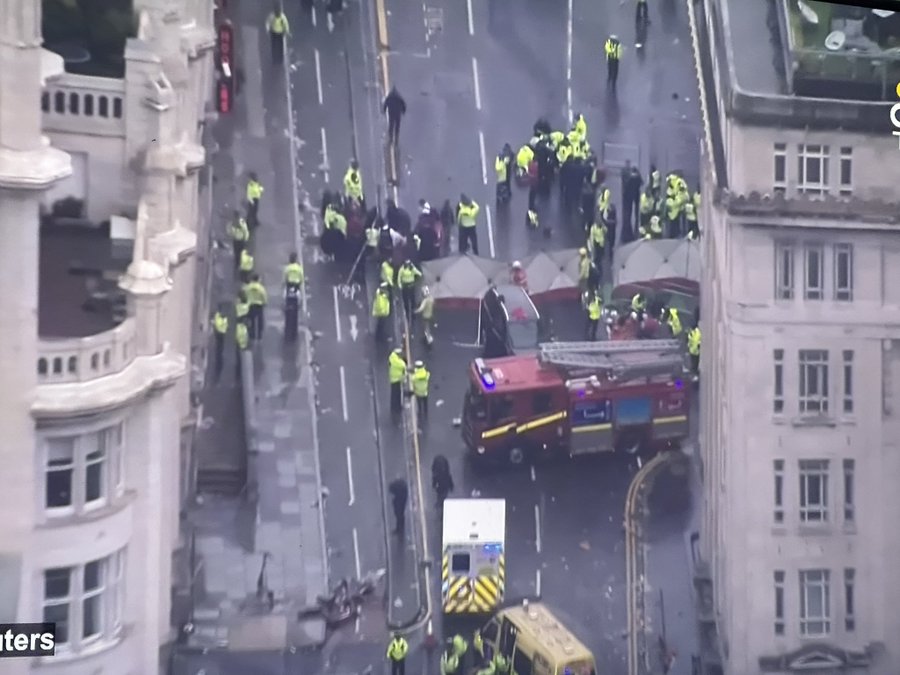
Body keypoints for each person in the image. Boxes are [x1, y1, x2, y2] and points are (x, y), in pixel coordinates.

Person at [244, 273, 268, 340]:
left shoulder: (248, 287)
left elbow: (245, 294)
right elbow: (264, 296)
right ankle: (259, 334)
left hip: (250, 305)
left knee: (251, 320)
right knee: (260, 320)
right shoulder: (261, 288)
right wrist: (265, 302)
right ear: (258, 279)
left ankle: (252, 335)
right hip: (259, 305)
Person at [212, 303, 228, 378]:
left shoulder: (220, 316)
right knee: (219, 353)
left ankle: (218, 372)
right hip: (220, 336)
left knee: (220, 353)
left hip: (221, 336)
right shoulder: (219, 316)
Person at [388, 348, 407, 415]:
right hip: (398, 380)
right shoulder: (401, 363)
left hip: (392, 379)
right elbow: (404, 371)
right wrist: (404, 380)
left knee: (393, 395)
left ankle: (393, 407)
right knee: (398, 395)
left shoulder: (391, 358)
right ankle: (398, 408)